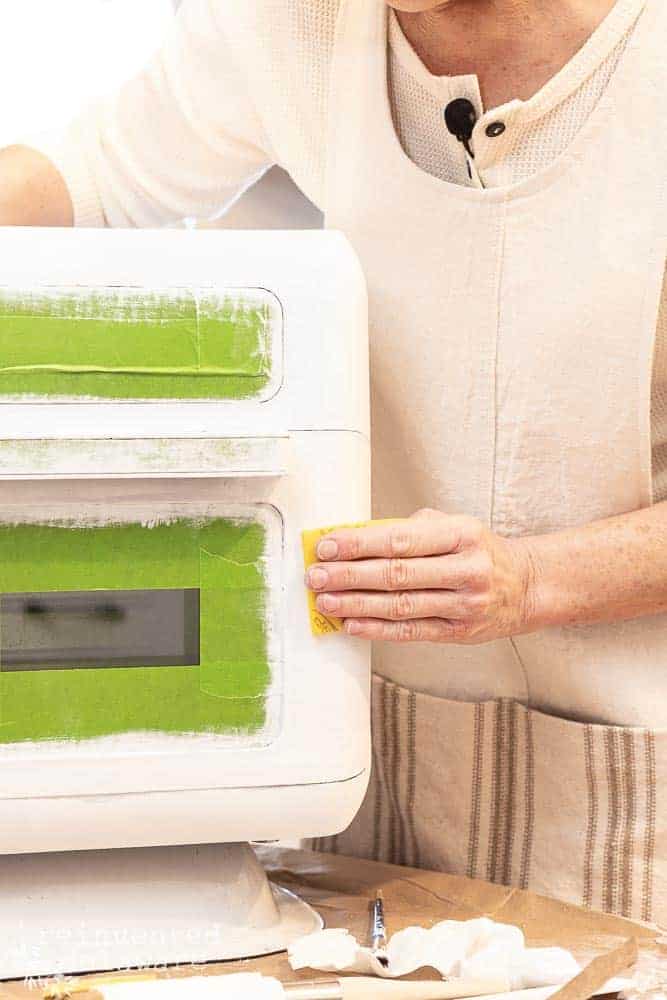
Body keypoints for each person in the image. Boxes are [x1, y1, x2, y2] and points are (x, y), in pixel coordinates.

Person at [1, 0, 665, 927]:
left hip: (644, 793)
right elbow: (96, 171)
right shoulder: (290, 25)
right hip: (393, 773)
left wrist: (537, 579)